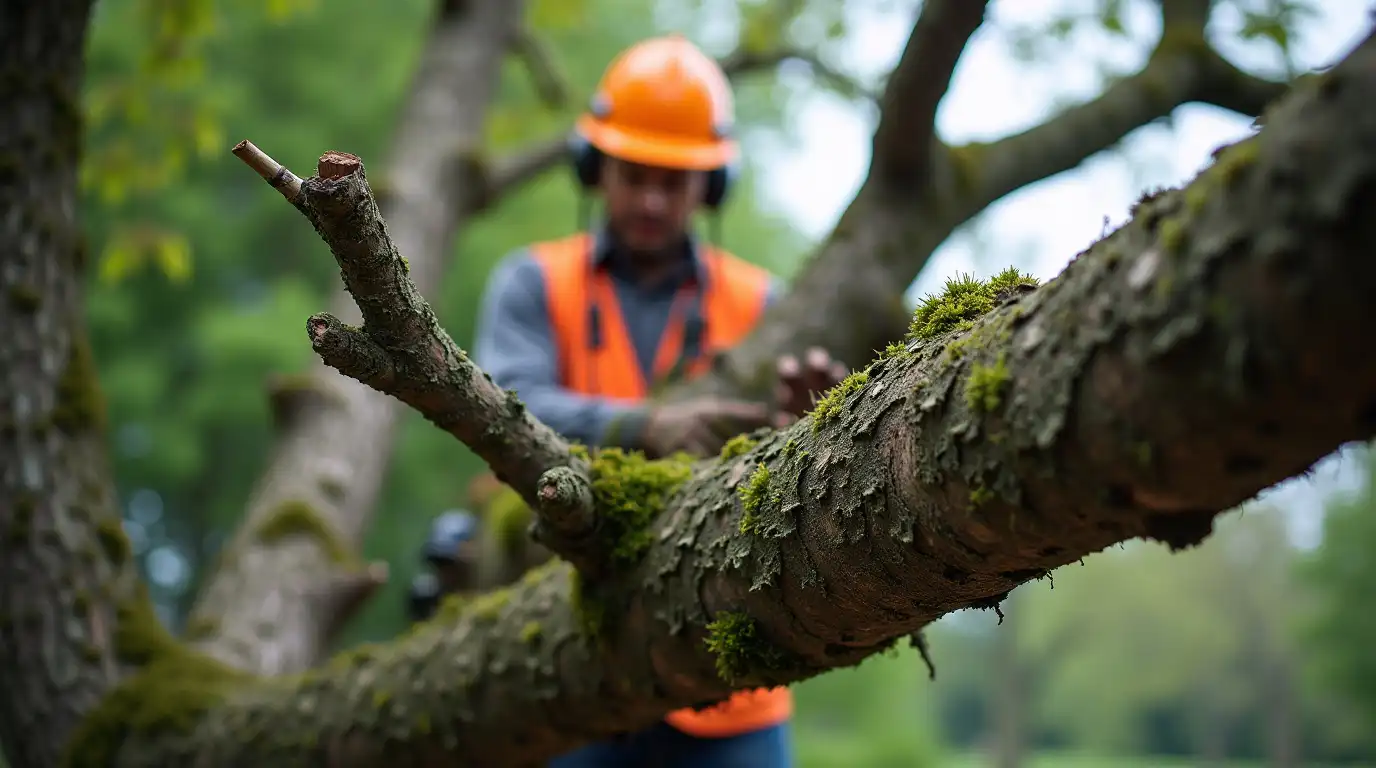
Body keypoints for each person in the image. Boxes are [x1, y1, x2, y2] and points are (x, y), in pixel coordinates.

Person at [471, 34, 846, 768]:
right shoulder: (533, 284)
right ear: (594, 168)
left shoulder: (763, 304)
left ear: (710, 187)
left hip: (732, 678)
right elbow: (499, 409)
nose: (649, 198)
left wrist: (813, 428)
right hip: (571, 656)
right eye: (633, 174)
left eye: (673, 182)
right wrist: (645, 427)